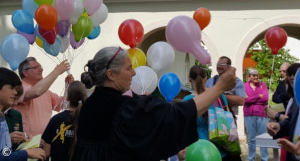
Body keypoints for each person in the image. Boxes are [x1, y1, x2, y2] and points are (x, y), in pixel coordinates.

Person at [71, 46, 236, 161]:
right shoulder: (125, 109)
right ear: (111, 74)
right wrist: (219, 87)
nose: (134, 73)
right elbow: (176, 115)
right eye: (128, 68)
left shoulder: (87, 106)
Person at [183, 65, 241, 161]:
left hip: (200, 151)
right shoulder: (220, 97)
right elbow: (228, 120)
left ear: (189, 79)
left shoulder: (187, 101)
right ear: (206, 79)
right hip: (223, 148)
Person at [14, 57, 73, 136]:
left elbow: (62, 105)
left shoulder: (46, 91)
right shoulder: (19, 87)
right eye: (36, 67)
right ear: (25, 72)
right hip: (27, 142)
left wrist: (68, 88)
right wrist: (56, 72)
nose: (41, 70)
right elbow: (36, 92)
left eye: (40, 67)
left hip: (45, 141)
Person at [0, 67, 46, 161]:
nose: (15, 92)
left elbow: (5, 153)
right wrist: (26, 153)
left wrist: (26, 146)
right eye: (11, 87)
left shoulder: (2, 117)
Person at [42, 81, 87, 161]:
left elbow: (46, 152)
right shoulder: (89, 120)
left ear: (67, 98)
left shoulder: (55, 120)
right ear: (85, 98)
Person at [267, 63, 300, 161]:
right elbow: (291, 121)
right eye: (289, 74)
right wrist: (279, 127)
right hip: (292, 154)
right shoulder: (295, 99)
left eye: (295, 74)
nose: (292, 77)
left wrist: (277, 115)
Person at [244, 68, 269, 161]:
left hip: (262, 114)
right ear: (248, 77)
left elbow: (265, 98)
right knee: (251, 139)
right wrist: (258, 96)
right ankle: (251, 158)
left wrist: (251, 98)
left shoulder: (262, 84)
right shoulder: (244, 86)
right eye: (253, 75)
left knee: (263, 138)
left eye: (257, 75)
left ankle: (264, 159)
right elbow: (245, 100)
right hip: (249, 115)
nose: (256, 77)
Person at [4, 85, 28, 151]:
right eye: (14, 98)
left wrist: (25, 138)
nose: (16, 103)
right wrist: (7, 139)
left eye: (18, 99)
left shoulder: (16, 115)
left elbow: (20, 135)